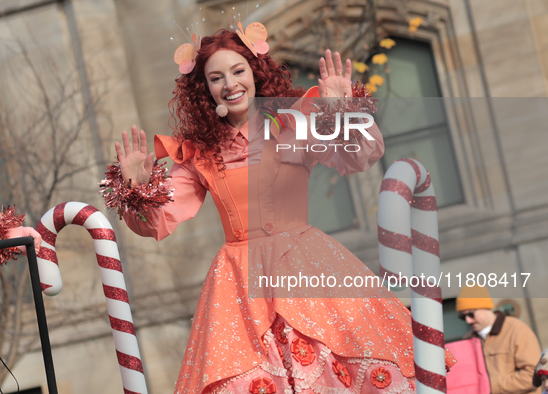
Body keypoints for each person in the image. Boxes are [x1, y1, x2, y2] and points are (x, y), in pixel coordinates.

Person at [114, 27, 454, 393]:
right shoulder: (200, 151)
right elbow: (158, 222)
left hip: (307, 267)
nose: (230, 84)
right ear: (205, 89)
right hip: (240, 286)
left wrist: (341, 112)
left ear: (255, 73)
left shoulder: (294, 122)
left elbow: (358, 158)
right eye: (216, 77)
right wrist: (138, 187)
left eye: (238, 71)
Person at [456, 284, 542, 393]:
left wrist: (488, 386)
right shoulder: (467, 340)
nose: (468, 321)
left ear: (485, 307)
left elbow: (534, 376)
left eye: (471, 314)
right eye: (463, 317)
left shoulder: (517, 330)